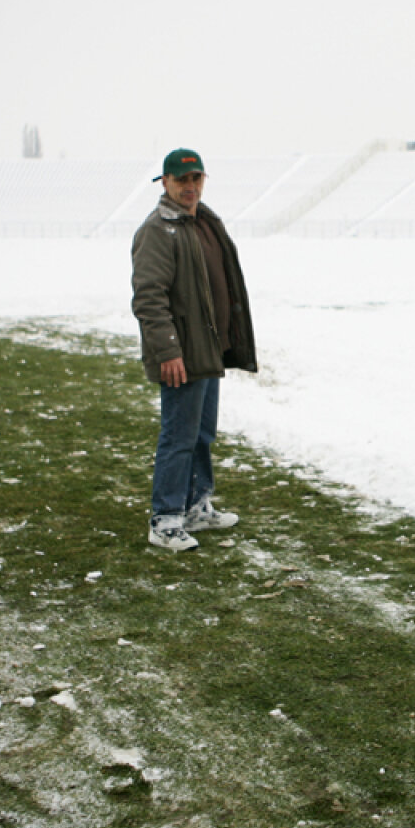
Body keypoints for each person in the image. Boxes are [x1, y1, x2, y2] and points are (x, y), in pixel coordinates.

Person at [131, 148, 257, 551]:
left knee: (201, 433)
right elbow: (149, 296)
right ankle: (165, 518)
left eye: (196, 179)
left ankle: (195, 505)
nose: (190, 187)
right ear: (165, 182)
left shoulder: (204, 222)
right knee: (178, 435)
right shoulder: (158, 229)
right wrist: (168, 351)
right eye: (181, 180)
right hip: (182, 354)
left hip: (209, 350)